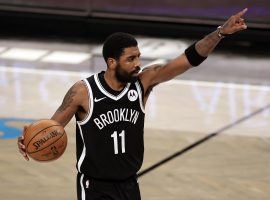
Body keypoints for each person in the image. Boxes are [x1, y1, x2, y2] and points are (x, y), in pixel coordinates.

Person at [18, 8, 248, 200]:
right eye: (131, 59)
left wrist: (220, 33)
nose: (138, 63)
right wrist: (29, 139)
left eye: (138, 56)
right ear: (111, 62)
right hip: (95, 188)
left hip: (130, 185)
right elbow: (51, 127)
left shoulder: (144, 82)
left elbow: (188, 59)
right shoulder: (83, 92)